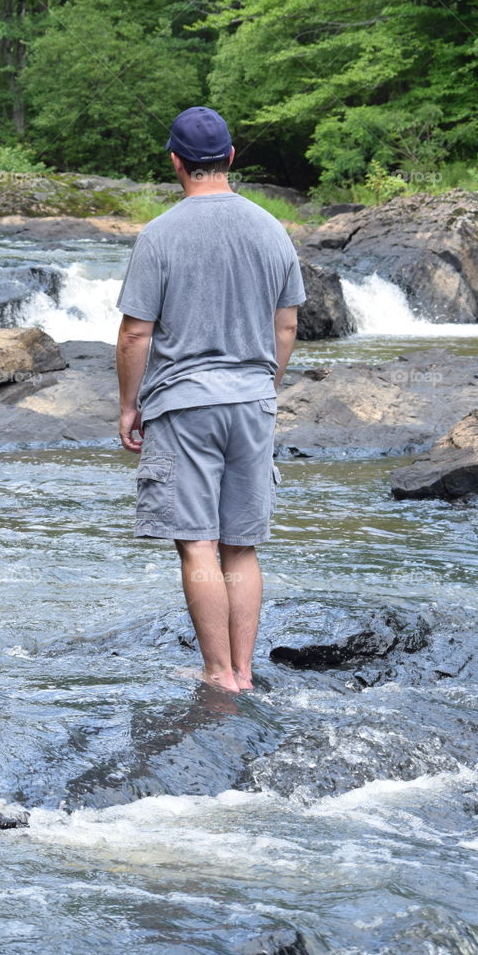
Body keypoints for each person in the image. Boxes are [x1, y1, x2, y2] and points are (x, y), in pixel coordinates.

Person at [116, 106, 305, 693]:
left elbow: (135, 333)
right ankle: (245, 672)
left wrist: (129, 406)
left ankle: (217, 672)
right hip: (253, 402)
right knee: (240, 547)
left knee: (198, 544)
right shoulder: (272, 229)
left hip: (183, 404)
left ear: (175, 161)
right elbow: (287, 325)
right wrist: (266, 390)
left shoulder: (160, 233)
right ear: (229, 158)